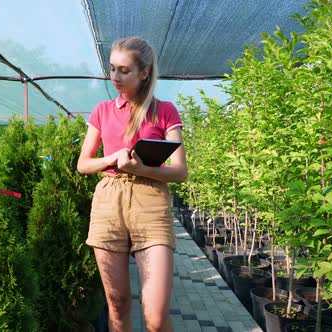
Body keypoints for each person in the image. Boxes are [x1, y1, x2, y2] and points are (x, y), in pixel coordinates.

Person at [77, 36, 188, 332]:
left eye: (124, 70)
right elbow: (83, 164)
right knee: (118, 305)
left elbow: (179, 171)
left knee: (155, 317)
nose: (115, 77)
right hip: (109, 200)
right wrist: (111, 159)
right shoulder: (102, 110)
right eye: (113, 69)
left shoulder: (165, 111)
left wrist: (142, 168)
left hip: (150, 200)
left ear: (145, 72)